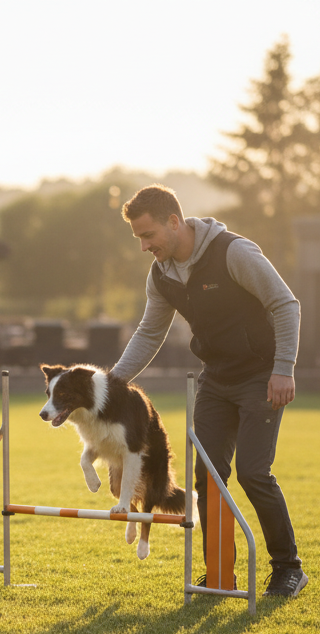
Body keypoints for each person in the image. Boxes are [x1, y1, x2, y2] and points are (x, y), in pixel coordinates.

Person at [112, 185, 308, 597]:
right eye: (139, 239)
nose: (145, 246)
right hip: (216, 380)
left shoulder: (232, 253)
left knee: (254, 474)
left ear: (174, 221)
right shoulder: (162, 274)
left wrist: (283, 369)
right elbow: (149, 334)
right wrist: (111, 387)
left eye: (149, 236)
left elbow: (285, 304)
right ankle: (219, 573)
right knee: (208, 476)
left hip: (261, 376)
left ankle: (289, 568)